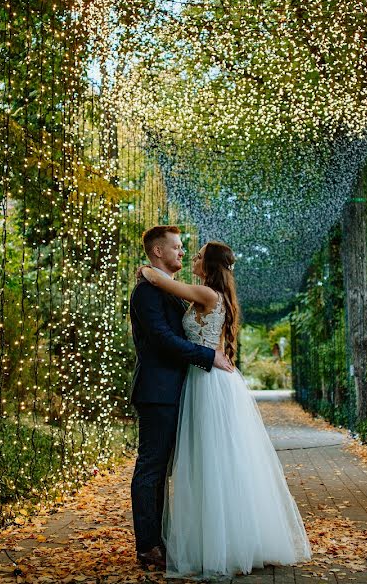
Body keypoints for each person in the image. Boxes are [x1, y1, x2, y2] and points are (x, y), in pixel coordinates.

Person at [140, 241, 311, 579]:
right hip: (205, 378)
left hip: (207, 383)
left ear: (212, 265)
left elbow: (160, 281)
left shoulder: (206, 294)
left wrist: (146, 269)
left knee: (212, 461)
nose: (192, 258)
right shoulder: (213, 294)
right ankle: (218, 539)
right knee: (214, 461)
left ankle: (220, 544)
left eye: (199, 255)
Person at [129, 226, 235, 570]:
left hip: (185, 390)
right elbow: (160, 338)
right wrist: (208, 357)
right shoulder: (146, 291)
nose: (183, 252)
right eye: (176, 247)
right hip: (158, 391)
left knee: (181, 469)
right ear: (157, 252)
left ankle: (173, 539)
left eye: (187, 249)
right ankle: (148, 546)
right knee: (152, 468)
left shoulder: (175, 289)